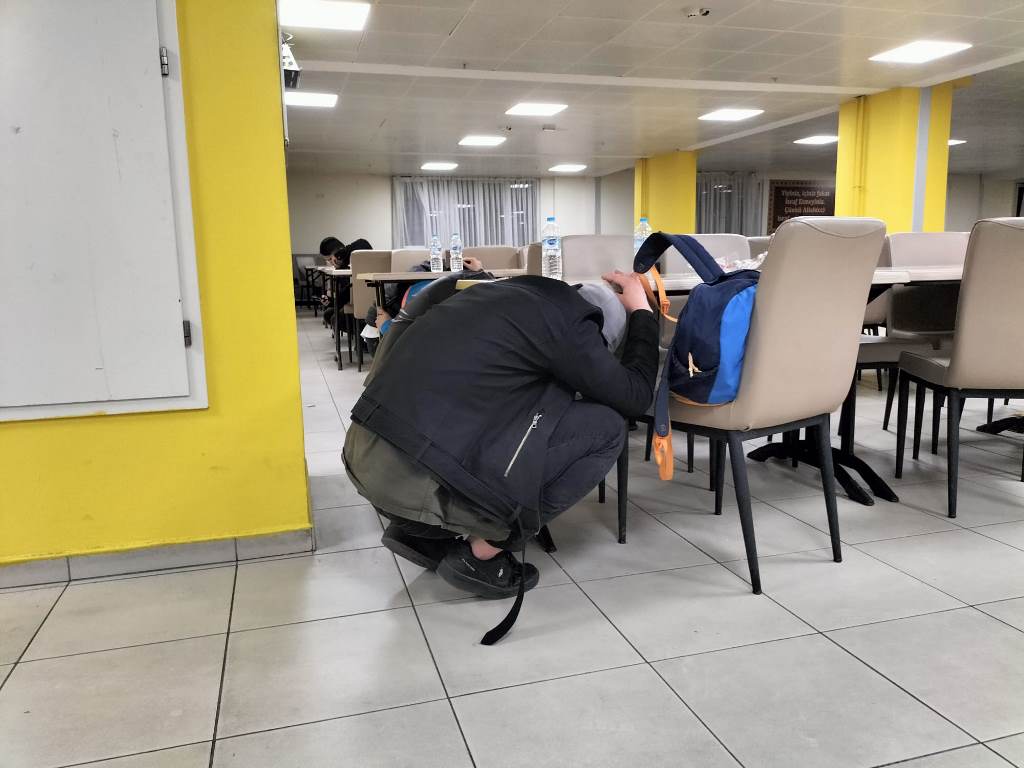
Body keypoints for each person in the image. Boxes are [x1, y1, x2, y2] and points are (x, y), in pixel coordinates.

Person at [343, 270, 658, 641]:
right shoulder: (570, 326)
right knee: (607, 429)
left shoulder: (495, 295)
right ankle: (483, 552)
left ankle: (422, 531)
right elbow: (635, 396)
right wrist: (642, 313)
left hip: (365, 459)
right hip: (418, 476)